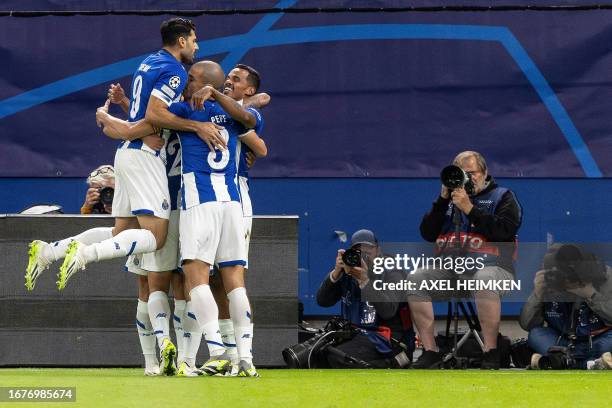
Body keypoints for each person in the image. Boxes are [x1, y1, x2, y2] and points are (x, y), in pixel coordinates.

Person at [24, 18, 225, 376]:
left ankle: (52, 250)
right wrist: (195, 125)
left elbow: (144, 116)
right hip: (146, 161)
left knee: (124, 234)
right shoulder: (176, 71)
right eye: (194, 40)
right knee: (156, 238)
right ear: (181, 41)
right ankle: (85, 254)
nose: (197, 46)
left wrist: (116, 115)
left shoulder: (147, 63)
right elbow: (154, 115)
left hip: (129, 154)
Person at [98, 60, 267, 377]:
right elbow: (258, 140)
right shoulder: (237, 116)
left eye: (190, 77)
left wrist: (106, 115)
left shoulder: (185, 111)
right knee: (234, 282)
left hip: (193, 201)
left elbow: (143, 123)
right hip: (232, 202)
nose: (184, 80)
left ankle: (212, 352)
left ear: (201, 83)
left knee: (190, 277)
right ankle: (244, 357)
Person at [407, 151, 522, 369]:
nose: (468, 179)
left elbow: (504, 230)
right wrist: (442, 200)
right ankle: (430, 351)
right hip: (452, 271)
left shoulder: (503, 197)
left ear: (485, 173)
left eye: (472, 173)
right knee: (416, 278)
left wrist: (469, 208)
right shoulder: (449, 201)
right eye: (462, 174)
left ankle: (490, 351)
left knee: (484, 278)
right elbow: (428, 233)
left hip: (494, 269)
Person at [316, 229, 415, 368]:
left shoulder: (392, 272)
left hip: (388, 338)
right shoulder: (348, 271)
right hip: (356, 334)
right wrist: (335, 273)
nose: (364, 254)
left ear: (378, 251)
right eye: (359, 250)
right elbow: (323, 301)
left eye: (369, 249)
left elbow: (388, 311)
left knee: (336, 357)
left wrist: (365, 281)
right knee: (315, 353)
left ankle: (392, 363)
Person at [519, 244, 612, 369]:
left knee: (606, 344)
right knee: (536, 334)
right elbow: (527, 324)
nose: (568, 277)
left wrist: (591, 295)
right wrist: (537, 295)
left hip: (598, 340)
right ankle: (592, 364)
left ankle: (552, 362)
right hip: (561, 342)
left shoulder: (603, 277)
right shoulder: (551, 279)